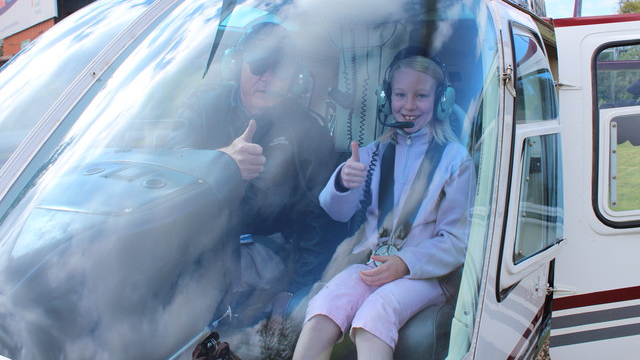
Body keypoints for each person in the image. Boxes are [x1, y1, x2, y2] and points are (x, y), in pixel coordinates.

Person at [292, 47, 474, 360]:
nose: (409, 106)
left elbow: (456, 241)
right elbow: (336, 210)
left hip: (425, 274)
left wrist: (406, 263)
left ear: (442, 100)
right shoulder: (373, 152)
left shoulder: (455, 161)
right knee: (325, 305)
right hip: (372, 263)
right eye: (401, 95)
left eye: (422, 96)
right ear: (386, 99)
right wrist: (344, 182)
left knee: (374, 317)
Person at [167, 22, 343, 318]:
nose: (268, 78)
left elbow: (317, 221)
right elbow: (168, 170)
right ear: (238, 64)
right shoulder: (201, 106)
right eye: (260, 63)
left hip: (264, 264)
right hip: (194, 249)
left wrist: (297, 291)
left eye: (280, 69)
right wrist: (223, 162)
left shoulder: (309, 132)